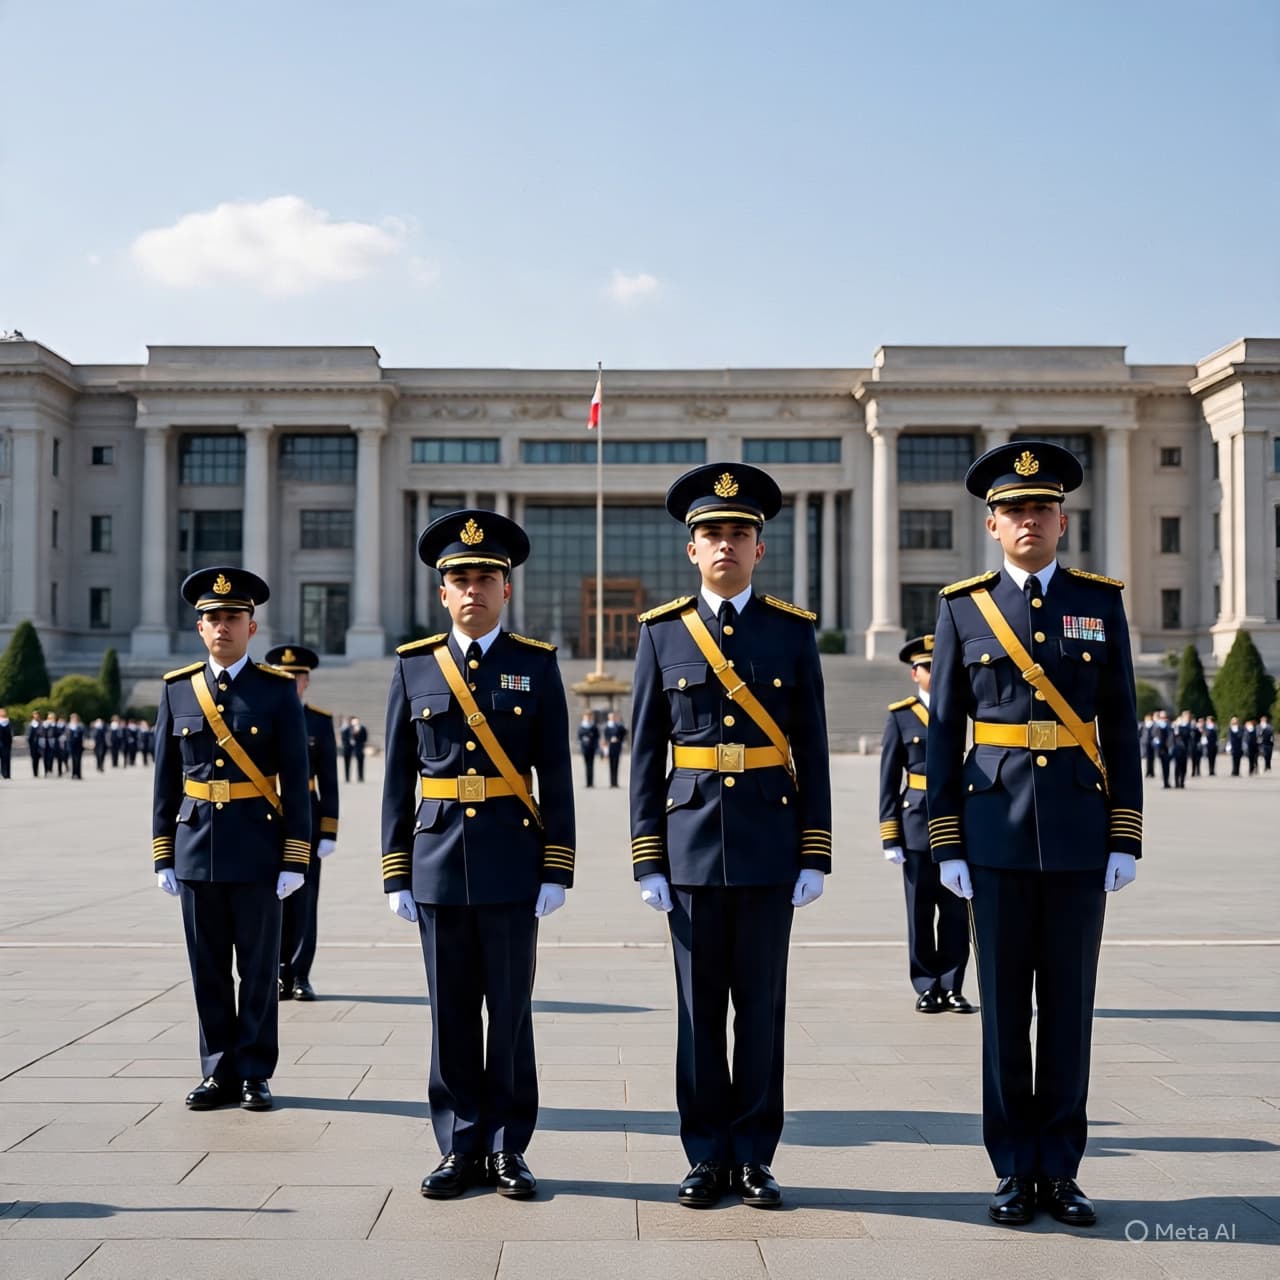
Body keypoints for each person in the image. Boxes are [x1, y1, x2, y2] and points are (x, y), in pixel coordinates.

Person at [927, 441, 1141, 1230]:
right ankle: (1015, 1169)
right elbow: (945, 730)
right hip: (994, 836)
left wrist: (1126, 833)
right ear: (992, 524)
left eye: (1041, 508)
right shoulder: (962, 608)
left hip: (1083, 837)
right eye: (1014, 510)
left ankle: (1063, 1170)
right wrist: (946, 841)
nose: (1029, 520)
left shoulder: (1101, 602)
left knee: (1071, 1011)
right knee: (1004, 1011)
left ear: (1061, 519)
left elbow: (1119, 723)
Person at [629, 463, 832, 1211]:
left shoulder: (791, 631)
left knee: (761, 1011)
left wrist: (816, 850)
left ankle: (754, 1156)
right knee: (697, 1013)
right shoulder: (662, 634)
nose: (725, 544)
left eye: (739, 533)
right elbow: (646, 753)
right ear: (692, 549)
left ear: (759, 548)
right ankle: (704, 1154)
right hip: (687, 852)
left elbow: (809, 745)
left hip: (770, 849)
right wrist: (647, 853)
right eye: (711, 533)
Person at [382, 510, 575, 1201]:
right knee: (451, 1013)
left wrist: (558, 866)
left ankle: (506, 1148)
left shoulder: (535, 665)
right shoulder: (413, 668)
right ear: (442, 593)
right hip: (435, 860)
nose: (472, 590)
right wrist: (394, 868)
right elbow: (396, 778)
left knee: (511, 1013)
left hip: (511, 863)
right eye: (459, 579)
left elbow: (556, 772)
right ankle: (459, 1145)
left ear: (506, 589)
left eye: (485, 578)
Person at [152, 566, 312, 1113]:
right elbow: (165, 778)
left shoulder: (275, 691)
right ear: (200, 628)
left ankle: (254, 1072)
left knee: (259, 969)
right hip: (196, 848)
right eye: (213, 618)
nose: (223, 627)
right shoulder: (178, 690)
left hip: (258, 851)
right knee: (208, 969)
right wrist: (162, 852)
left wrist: (297, 855)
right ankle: (217, 1069)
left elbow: (296, 777)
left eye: (233, 618)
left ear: (252, 626)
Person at [879, 633, 972, 1015]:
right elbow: (888, 776)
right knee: (919, 911)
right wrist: (890, 834)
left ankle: (952, 986)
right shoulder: (900, 715)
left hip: (959, 820)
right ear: (914, 674)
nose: (934, 672)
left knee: (956, 911)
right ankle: (925, 985)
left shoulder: (965, 708)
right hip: (916, 820)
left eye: (938, 665)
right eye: (927, 667)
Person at [265, 644, 339, 1002]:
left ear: (307, 681)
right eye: (284, 675)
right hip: (264, 817)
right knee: (267, 900)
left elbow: (330, 781)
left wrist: (329, 830)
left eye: (297, 676)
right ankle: (276, 972)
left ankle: (300, 974)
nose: (291, 681)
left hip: (306, 818)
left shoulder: (319, 722)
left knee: (304, 900)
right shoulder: (259, 715)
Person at [603, 711, 628, 788]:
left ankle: (615, 782)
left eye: (613, 717)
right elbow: (605, 737)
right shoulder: (607, 726)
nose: (612, 718)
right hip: (610, 747)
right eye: (611, 717)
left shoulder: (619, 726)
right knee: (611, 766)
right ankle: (611, 782)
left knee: (616, 765)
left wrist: (619, 739)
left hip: (617, 747)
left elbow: (625, 732)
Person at [577, 712, 601, 787]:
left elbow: (597, 736)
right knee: (586, 765)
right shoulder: (581, 726)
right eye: (586, 716)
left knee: (591, 766)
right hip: (585, 748)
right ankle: (587, 783)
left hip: (592, 748)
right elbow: (579, 736)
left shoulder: (593, 726)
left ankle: (591, 783)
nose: (588, 718)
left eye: (589, 716)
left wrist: (596, 745)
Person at [1171, 711, 1191, 790]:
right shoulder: (1177, 726)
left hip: (1185, 749)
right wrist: (1176, 725)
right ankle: (1176, 782)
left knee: (1184, 766)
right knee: (1177, 766)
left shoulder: (1188, 726)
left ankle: (1182, 782)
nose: (1187, 718)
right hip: (1178, 749)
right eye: (1186, 717)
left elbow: (1188, 736)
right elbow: (1174, 735)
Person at [66, 713, 85, 780]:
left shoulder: (80, 726)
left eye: (75, 718)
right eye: (73, 718)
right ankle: (73, 774)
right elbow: (67, 736)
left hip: (79, 745)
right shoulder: (68, 726)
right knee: (73, 760)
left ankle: (78, 774)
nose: (74, 719)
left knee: (78, 760)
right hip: (71, 745)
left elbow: (82, 735)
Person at [350, 717, 368, 781]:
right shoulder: (352, 729)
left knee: (361, 763)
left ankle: (361, 776)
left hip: (361, 747)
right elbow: (351, 739)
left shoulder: (363, 728)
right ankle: (358, 776)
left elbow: (365, 737)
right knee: (358, 763)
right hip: (356, 748)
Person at [1139, 714, 1154, 778]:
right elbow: (1140, 733)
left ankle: (1151, 771)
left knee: (1151, 759)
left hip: (1151, 743)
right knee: (1145, 759)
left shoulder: (1153, 725)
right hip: (1145, 743)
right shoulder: (1143, 725)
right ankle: (1146, 772)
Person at [340, 717, 354, 782]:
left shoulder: (351, 729)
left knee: (349, 764)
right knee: (346, 764)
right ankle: (347, 777)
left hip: (350, 749)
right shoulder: (345, 730)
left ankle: (348, 777)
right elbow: (344, 739)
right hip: (346, 749)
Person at [0, 707, 11, 779]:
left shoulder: (8, 721)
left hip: (6, 743)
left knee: (6, 758)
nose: (3, 713)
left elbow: (10, 734)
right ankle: (2, 772)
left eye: (4, 712)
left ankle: (6, 774)